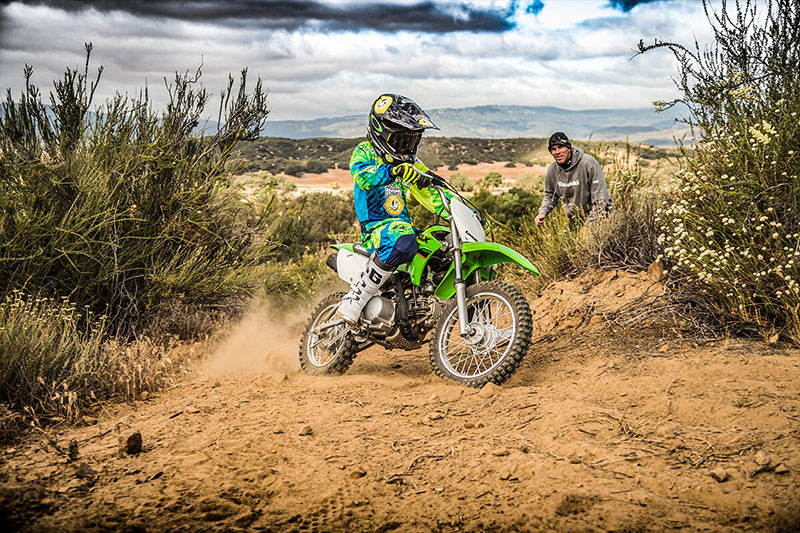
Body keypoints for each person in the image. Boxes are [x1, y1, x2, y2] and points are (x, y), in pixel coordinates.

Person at [336, 93, 450, 323]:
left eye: (411, 140)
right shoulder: (365, 151)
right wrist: (392, 171)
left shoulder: (409, 164)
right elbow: (362, 176)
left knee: (442, 246)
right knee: (403, 239)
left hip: (400, 226)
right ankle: (356, 298)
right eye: (401, 140)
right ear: (382, 133)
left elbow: (431, 194)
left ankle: (420, 304)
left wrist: (457, 211)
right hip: (376, 228)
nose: (406, 147)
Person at [534, 132, 612, 226]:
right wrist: (543, 212)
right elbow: (550, 195)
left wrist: (589, 226)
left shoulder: (588, 163)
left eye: (561, 147)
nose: (557, 152)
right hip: (575, 220)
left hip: (599, 219)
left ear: (569, 148)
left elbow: (602, 199)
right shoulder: (552, 169)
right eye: (553, 149)